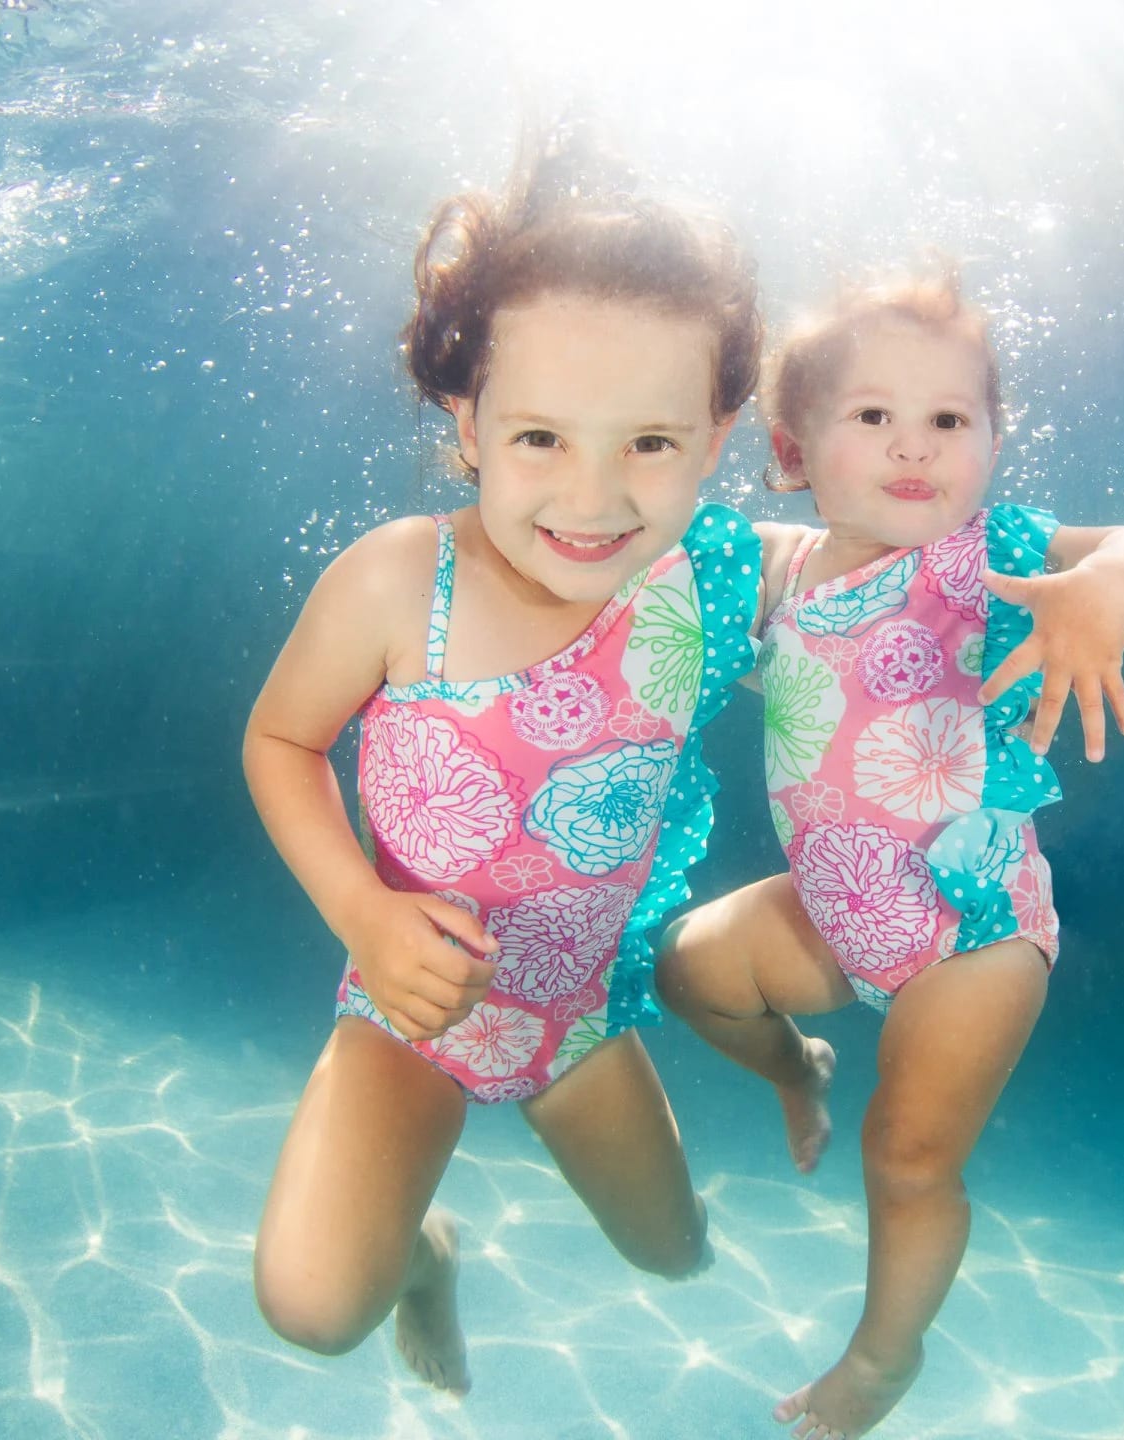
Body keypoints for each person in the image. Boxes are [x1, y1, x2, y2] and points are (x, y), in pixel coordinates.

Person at [241, 131, 763, 1398]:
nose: (592, 498)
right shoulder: (396, 580)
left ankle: (537, 1206)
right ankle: (425, 1256)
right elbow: (280, 741)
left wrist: (1113, 579)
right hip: (410, 1007)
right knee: (312, 1309)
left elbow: (935, 575)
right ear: (468, 422)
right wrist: (363, 914)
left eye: (649, 443)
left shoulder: (717, 578)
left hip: (576, 1013)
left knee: (678, 1256)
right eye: (541, 438)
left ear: (717, 435)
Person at [656, 268, 1124, 1440]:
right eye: (873, 415)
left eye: (950, 418)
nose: (915, 445)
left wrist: (1103, 588)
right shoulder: (768, 569)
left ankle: (885, 1355)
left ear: (993, 441)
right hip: (838, 908)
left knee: (905, 1156)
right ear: (790, 450)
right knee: (689, 969)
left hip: (974, 927)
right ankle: (795, 1068)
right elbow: (644, 563)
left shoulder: (991, 558)